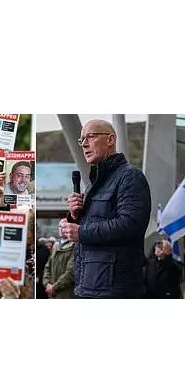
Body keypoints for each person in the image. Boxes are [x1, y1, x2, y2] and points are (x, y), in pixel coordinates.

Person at [59, 119, 152, 299]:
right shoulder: (95, 184)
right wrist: (75, 216)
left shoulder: (130, 177)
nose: (84, 144)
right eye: (81, 140)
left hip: (114, 289)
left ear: (110, 140)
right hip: (89, 286)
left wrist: (81, 232)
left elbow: (130, 225)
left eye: (90, 137)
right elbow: (93, 225)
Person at [43, 219, 76, 299]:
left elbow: (71, 272)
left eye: (64, 227)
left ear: (69, 228)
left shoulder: (75, 245)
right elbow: (48, 266)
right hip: (52, 293)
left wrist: (54, 287)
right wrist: (47, 283)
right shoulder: (56, 245)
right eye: (60, 226)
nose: (61, 229)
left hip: (66, 293)